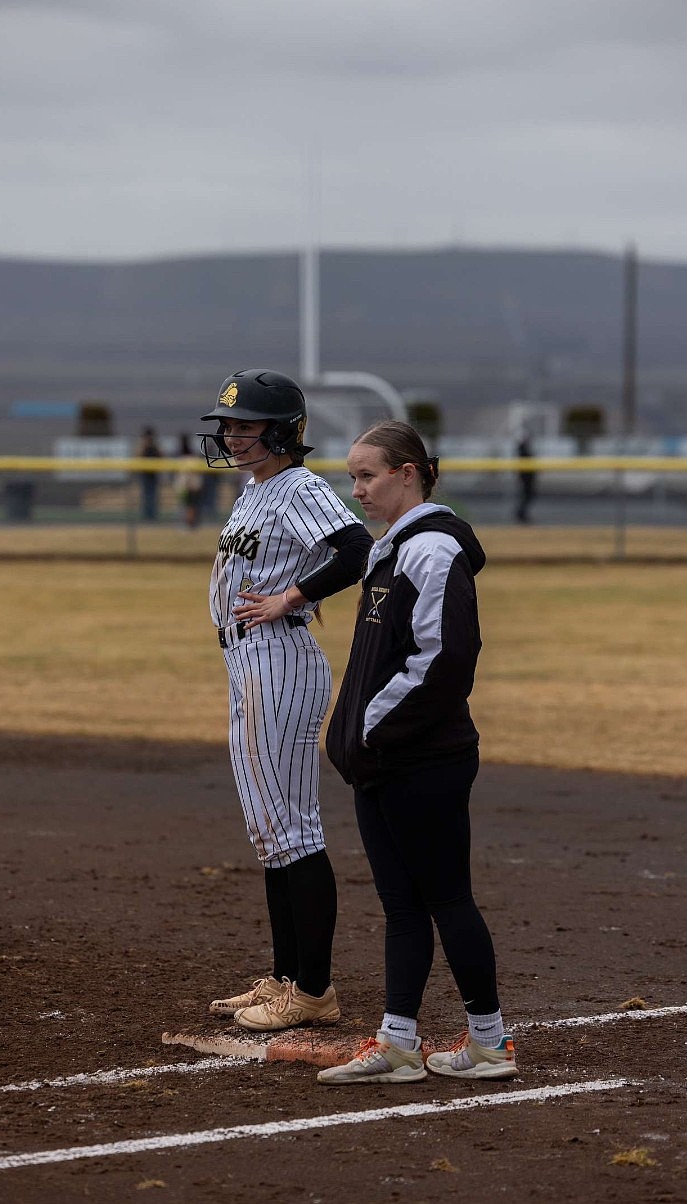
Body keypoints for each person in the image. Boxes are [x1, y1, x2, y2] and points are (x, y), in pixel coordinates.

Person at [318, 420, 517, 1085]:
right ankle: (398, 1043)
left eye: (367, 475)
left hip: (422, 760)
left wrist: (369, 729)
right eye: (351, 477)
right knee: (403, 909)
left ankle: (490, 1042)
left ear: (409, 474)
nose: (357, 490)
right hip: (383, 761)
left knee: (447, 900)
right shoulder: (390, 550)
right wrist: (355, 738)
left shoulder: (431, 552)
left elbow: (444, 661)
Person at [198, 368, 373, 1032]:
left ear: (282, 432)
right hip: (248, 660)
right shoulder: (257, 489)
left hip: (278, 662)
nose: (234, 436)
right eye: (230, 426)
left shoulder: (298, 485)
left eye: (246, 426)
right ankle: (284, 979)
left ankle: (315, 991)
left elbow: (356, 547)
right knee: (271, 835)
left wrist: (294, 598)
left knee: (294, 832)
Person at [175, 433, 204, 529]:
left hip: (189, 486)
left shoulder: (185, 456)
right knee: (189, 506)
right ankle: (189, 523)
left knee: (189, 506)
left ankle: (190, 524)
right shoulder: (189, 456)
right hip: (189, 486)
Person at [137, 426, 162, 521]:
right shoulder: (142, 445)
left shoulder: (155, 446)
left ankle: (153, 515)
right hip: (145, 475)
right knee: (145, 496)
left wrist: (154, 445)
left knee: (154, 496)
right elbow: (138, 456)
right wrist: (144, 444)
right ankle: (146, 515)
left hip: (154, 474)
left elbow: (161, 456)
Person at [515, 427, 537, 523]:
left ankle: (522, 514)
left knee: (528, 496)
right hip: (526, 477)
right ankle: (521, 514)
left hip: (528, 477)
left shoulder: (524, 449)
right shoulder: (522, 449)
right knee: (527, 495)